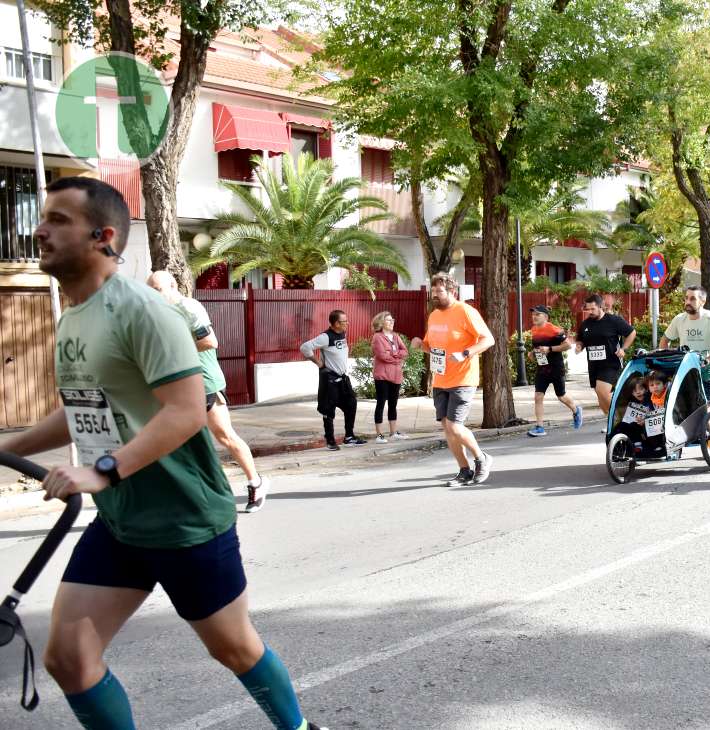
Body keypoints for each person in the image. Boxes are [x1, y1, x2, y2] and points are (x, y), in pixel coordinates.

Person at [0, 177, 327, 730]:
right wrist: (7, 448)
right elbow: (83, 409)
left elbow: (186, 409)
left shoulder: (144, 311)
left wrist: (102, 470)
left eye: (58, 219)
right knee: (68, 659)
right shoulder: (75, 314)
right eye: (44, 216)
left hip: (184, 521)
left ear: (104, 236)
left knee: (234, 648)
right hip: (123, 523)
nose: (40, 228)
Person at [146, 271, 268, 513]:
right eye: (150, 290)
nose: (153, 295)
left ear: (173, 286)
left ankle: (256, 482)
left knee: (225, 437)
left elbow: (211, 341)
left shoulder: (189, 307)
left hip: (205, 383)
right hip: (179, 387)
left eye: (157, 289)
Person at [411, 272, 496, 485]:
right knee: (447, 428)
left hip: (463, 378)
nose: (434, 296)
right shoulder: (434, 316)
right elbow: (433, 348)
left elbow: (489, 340)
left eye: (439, 292)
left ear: (452, 292)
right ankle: (464, 470)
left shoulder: (466, 311)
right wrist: (420, 345)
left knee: (455, 425)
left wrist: (466, 353)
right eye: (433, 292)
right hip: (441, 379)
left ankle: (481, 458)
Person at [301, 310, 366, 450]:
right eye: (344, 321)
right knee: (328, 410)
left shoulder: (342, 333)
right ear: (336, 323)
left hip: (343, 379)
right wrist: (318, 363)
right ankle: (330, 441)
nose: (347, 323)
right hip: (330, 379)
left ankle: (349, 437)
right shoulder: (325, 337)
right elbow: (305, 347)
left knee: (351, 403)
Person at [659, 285, 710, 404]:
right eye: (686, 298)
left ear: (702, 301)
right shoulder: (679, 320)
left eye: (692, 299)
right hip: (687, 371)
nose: (688, 302)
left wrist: (708, 359)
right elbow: (664, 341)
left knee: (703, 409)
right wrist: (668, 363)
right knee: (687, 411)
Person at [575, 293, 636, 423]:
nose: (590, 312)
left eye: (593, 309)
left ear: (601, 307)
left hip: (611, 363)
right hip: (594, 365)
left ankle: (622, 420)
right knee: (600, 396)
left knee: (602, 390)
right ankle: (611, 422)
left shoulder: (613, 321)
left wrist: (623, 349)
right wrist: (579, 346)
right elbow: (580, 340)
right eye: (588, 309)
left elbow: (631, 332)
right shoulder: (585, 324)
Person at [526, 304, 583, 436]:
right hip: (542, 369)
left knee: (561, 396)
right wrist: (532, 353)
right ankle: (539, 427)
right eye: (533, 314)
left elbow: (568, 345)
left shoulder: (554, 329)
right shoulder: (534, 330)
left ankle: (576, 410)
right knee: (538, 396)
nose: (534, 317)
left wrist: (550, 349)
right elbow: (539, 347)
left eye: (537, 314)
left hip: (556, 368)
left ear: (545, 317)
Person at [370, 311, 408, 443]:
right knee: (381, 403)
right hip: (383, 375)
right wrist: (397, 357)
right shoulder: (377, 337)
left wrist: (393, 354)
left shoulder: (396, 336)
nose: (392, 322)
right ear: (381, 323)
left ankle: (393, 432)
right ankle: (379, 434)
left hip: (396, 374)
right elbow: (382, 356)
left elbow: (405, 351)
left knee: (393, 404)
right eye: (388, 320)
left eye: (392, 320)